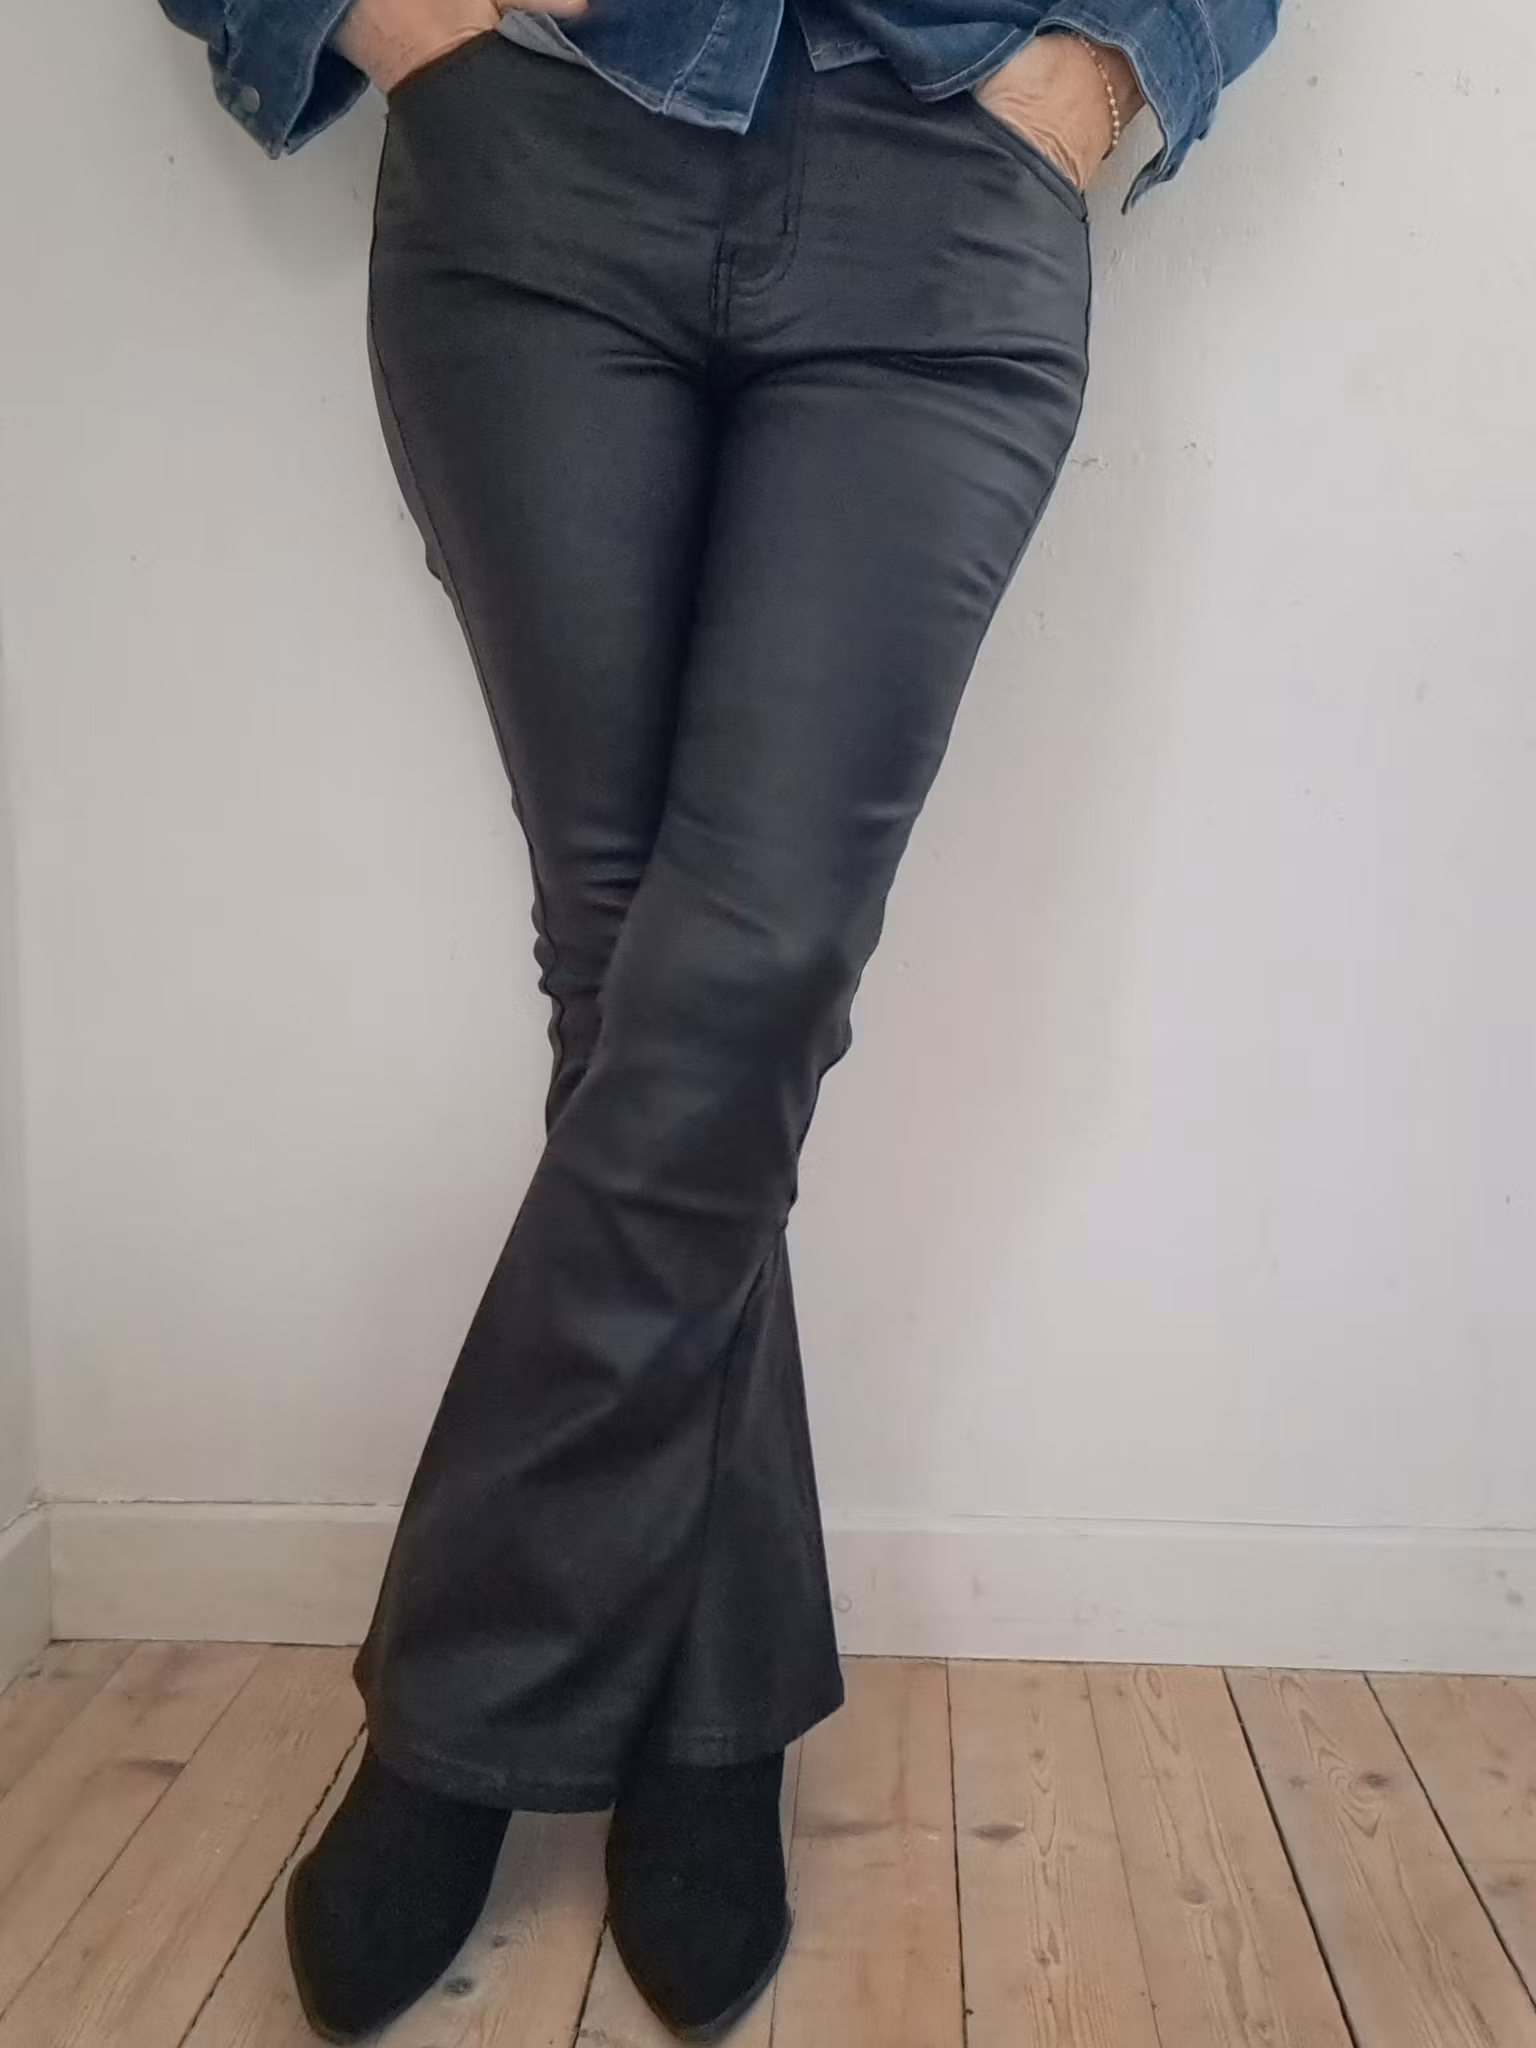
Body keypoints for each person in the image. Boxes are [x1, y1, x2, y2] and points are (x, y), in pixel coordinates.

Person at [154, 0, 1280, 2039]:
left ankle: (460, 1716)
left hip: (945, 162)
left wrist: (1120, 57)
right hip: (537, 151)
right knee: (633, 977)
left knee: (746, 967)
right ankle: (713, 1710)